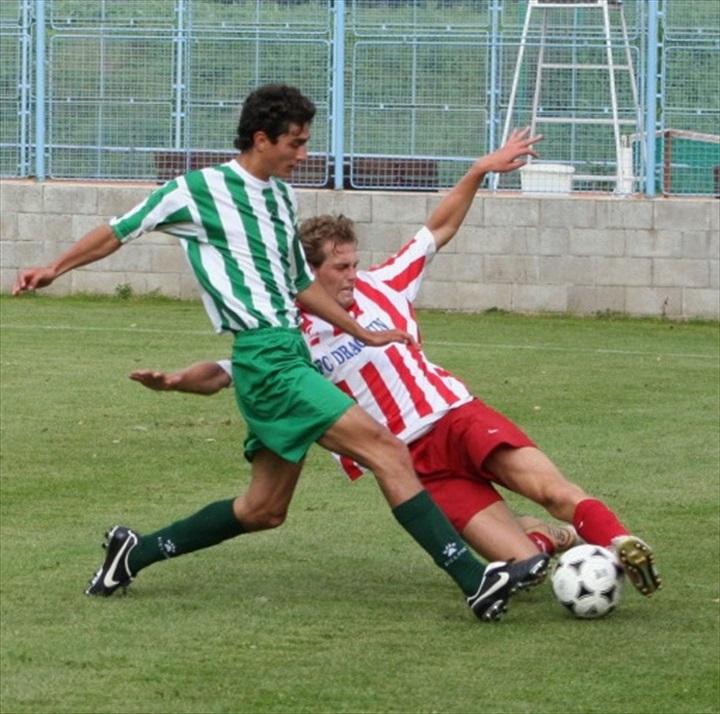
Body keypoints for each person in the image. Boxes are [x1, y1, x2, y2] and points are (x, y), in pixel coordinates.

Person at [12, 83, 550, 622]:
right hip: (265, 357)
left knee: (263, 510)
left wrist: (362, 332)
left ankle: (133, 553)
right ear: (262, 139)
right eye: (295, 143)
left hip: (284, 354)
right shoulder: (198, 189)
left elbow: (299, 285)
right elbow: (119, 231)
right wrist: (55, 268)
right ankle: (473, 579)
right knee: (387, 450)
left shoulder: (279, 198)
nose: (304, 154)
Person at [130, 142, 662, 597]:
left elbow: (439, 226)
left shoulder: (388, 283)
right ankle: (552, 543)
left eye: (355, 263)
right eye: (340, 267)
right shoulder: (291, 334)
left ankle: (621, 541)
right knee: (523, 568)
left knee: (552, 489)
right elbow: (226, 371)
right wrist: (177, 381)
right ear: (307, 271)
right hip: (416, 465)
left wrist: (478, 171)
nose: (352, 276)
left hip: (458, 418)